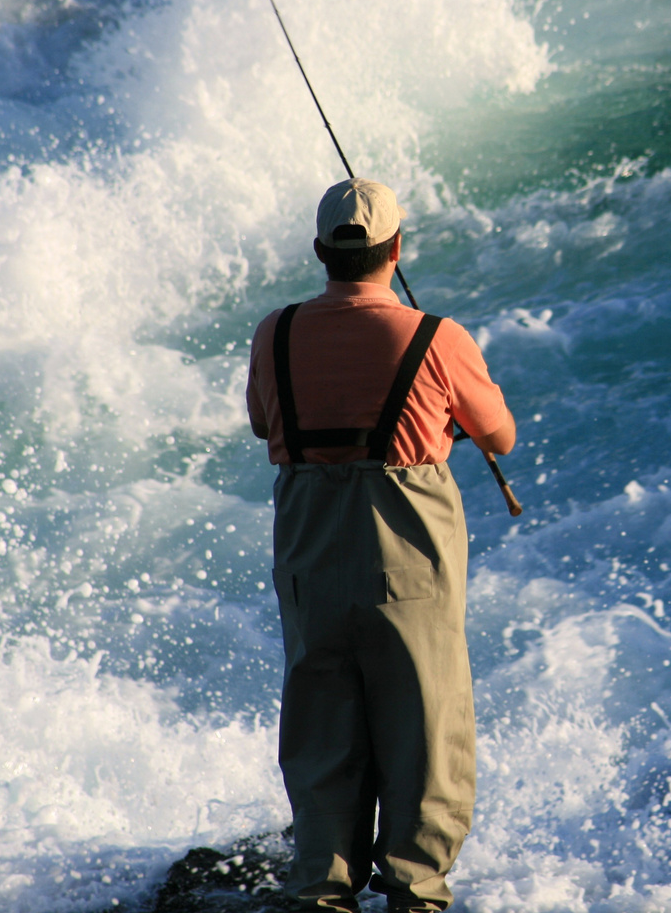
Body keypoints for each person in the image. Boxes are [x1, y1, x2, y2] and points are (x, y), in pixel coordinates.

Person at [246, 177, 515, 912]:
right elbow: (501, 435)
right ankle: (415, 894)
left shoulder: (275, 331)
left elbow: (262, 423)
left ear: (319, 252)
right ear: (397, 251)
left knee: (322, 735)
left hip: (308, 549)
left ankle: (322, 891)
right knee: (425, 732)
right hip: (409, 553)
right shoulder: (437, 337)